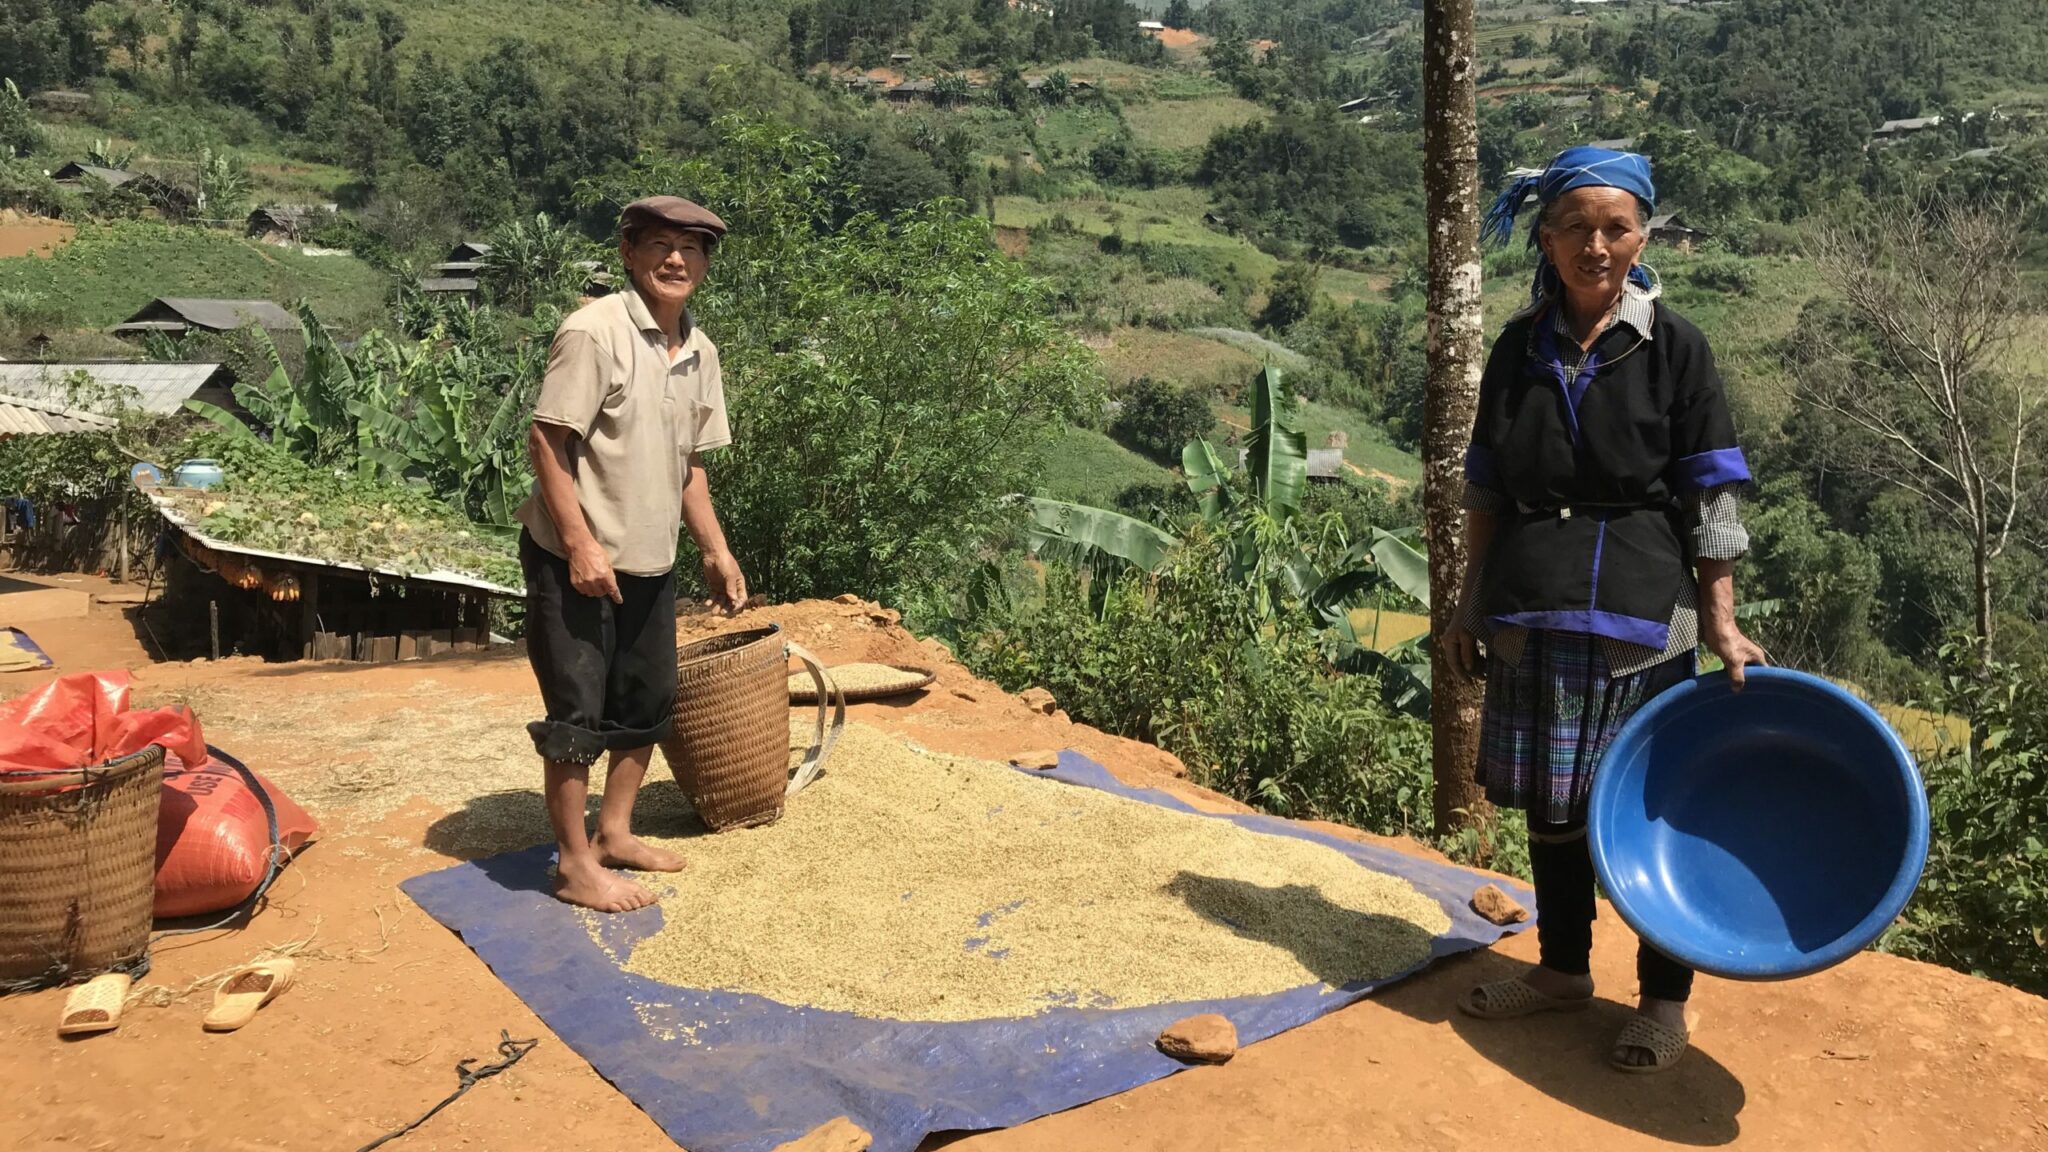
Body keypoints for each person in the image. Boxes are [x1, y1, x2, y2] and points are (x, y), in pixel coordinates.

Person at [1446, 146, 1768, 1073]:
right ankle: (1562, 970)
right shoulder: (1518, 348)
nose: (1597, 244)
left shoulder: (1676, 348)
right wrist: (1469, 603)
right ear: (1545, 238)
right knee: (1553, 807)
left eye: (1615, 226)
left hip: (1642, 612)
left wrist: (1718, 616)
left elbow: (1710, 497)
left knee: (1648, 810)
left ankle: (1664, 1005)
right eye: (1576, 227)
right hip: (1532, 604)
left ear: (1643, 235)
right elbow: (1486, 491)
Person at [517, 195, 750, 914]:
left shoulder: (700, 352)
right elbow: (546, 442)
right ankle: (574, 863)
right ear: (628, 252)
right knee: (576, 712)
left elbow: (692, 467)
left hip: (651, 557)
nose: (675, 260)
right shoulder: (595, 333)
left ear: (707, 264)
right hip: (577, 560)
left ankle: (614, 832)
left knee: (645, 704)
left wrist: (716, 549)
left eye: (691, 248)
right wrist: (583, 546)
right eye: (658, 245)